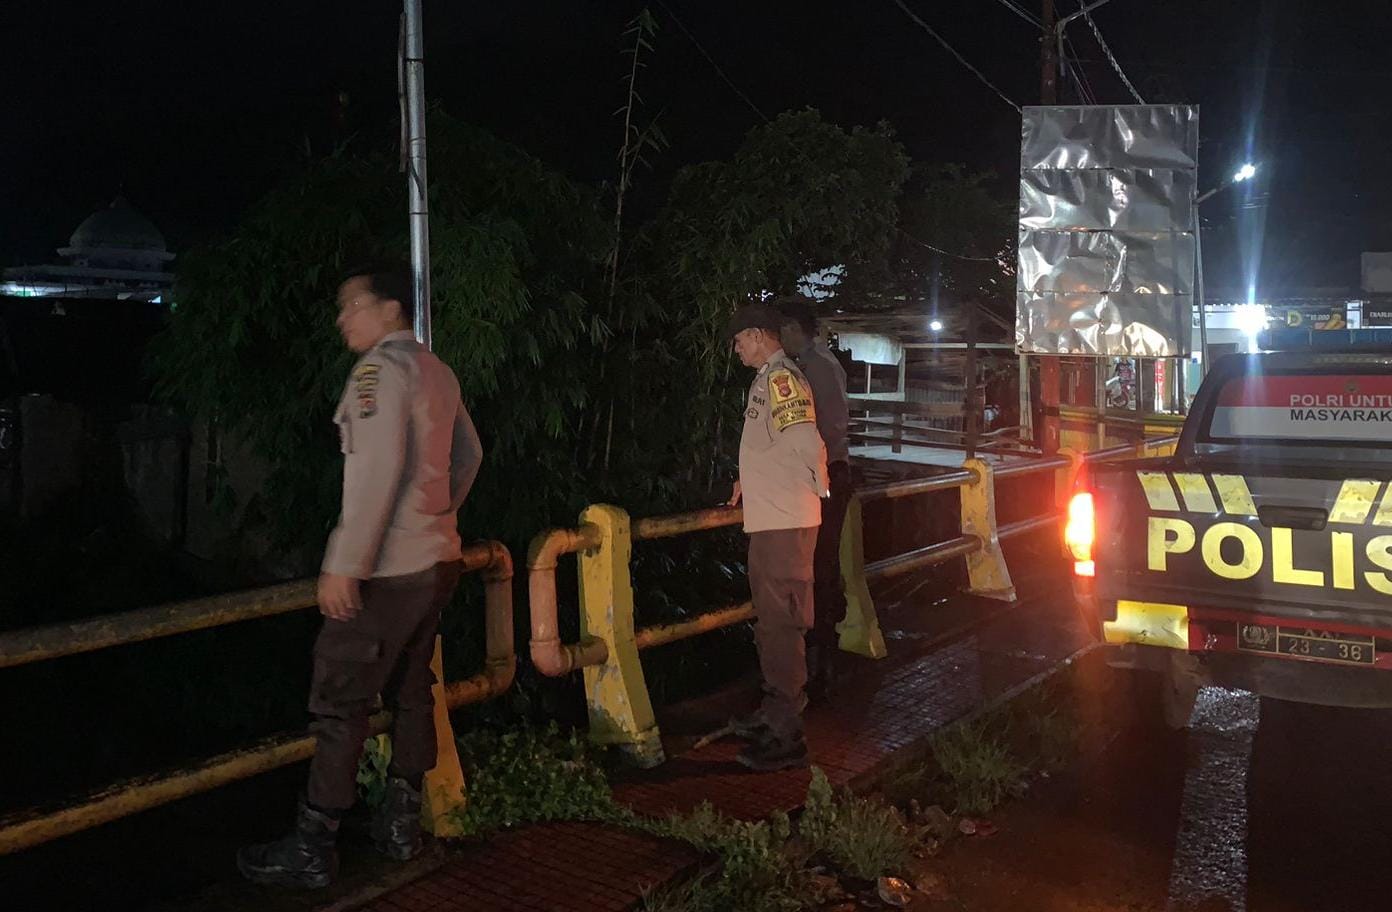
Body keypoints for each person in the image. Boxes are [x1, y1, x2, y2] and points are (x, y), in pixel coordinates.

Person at [238, 265, 483, 889]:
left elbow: (375, 473)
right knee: (412, 690)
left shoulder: (379, 371)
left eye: (353, 305)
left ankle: (313, 845)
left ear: (391, 308)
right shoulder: (437, 370)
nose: (342, 318)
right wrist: (436, 517)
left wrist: (346, 564)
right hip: (438, 560)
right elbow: (469, 455)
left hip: (388, 570)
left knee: (339, 703)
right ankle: (400, 827)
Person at [724, 303, 829, 771]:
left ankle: (787, 734)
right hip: (773, 517)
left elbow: (805, 440)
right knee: (771, 622)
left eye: (738, 340)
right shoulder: (768, 377)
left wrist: (815, 485)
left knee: (782, 622)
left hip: (785, 520)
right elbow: (776, 442)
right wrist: (748, 480)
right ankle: (774, 712)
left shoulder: (781, 379)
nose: (736, 349)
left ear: (757, 335)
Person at [775, 297, 851, 700]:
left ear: (794, 328)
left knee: (818, 563)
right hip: (820, 474)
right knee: (814, 563)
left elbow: (829, 427)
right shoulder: (808, 364)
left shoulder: (817, 366)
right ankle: (818, 657)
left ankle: (821, 660)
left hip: (823, 475)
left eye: (782, 330)